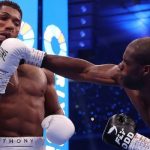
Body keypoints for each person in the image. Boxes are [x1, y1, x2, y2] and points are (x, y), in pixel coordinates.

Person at [0, 1, 75, 150]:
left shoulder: (42, 70)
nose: (10, 26)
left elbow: (54, 110)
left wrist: (59, 121)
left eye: (16, 23)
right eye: (3, 18)